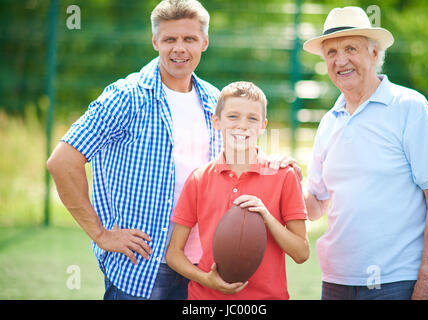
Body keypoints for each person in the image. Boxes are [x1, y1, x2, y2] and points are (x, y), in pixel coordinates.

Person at [47, 0, 300, 300]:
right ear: (155, 41)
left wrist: (277, 164)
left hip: (205, 267)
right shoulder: (126, 97)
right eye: (170, 39)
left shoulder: (214, 100)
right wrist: (101, 235)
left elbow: (237, 161)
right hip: (142, 269)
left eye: (189, 39)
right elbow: (62, 161)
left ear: (204, 42)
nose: (179, 48)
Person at [302, 6, 428, 300]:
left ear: (373, 53)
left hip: (396, 283)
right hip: (335, 282)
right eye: (331, 53)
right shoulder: (329, 122)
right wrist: (280, 178)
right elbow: (315, 205)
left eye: (350, 48)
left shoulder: (409, 107)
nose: (340, 60)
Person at [166, 81, 309, 300]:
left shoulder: (283, 176)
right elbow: (174, 253)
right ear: (216, 121)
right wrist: (206, 279)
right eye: (233, 116)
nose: (242, 125)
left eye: (252, 118)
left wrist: (267, 217)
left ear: (263, 125)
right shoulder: (199, 179)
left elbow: (301, 253)